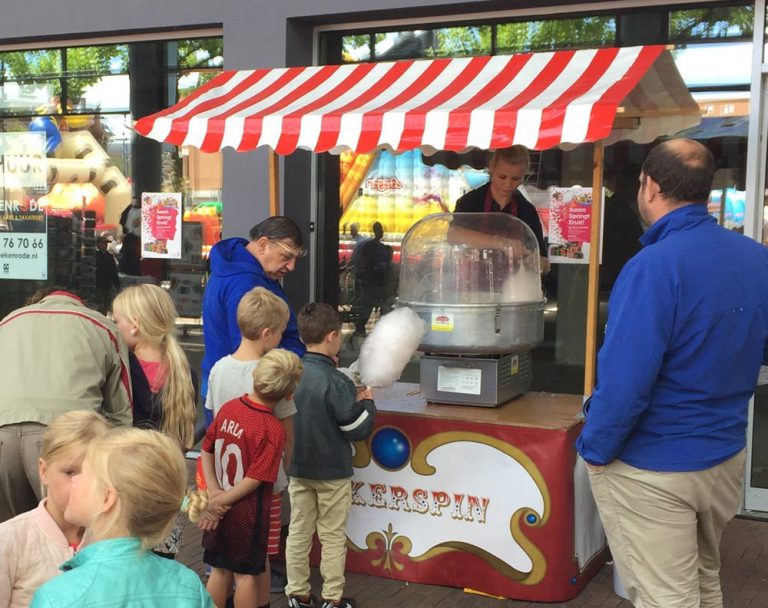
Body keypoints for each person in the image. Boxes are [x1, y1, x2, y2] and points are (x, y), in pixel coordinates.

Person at [576, 138, 768, 608]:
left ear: (651, 186)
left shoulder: (654, 266)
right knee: (703, 580)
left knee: (668, 598)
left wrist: (595, 450)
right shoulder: (756, 257)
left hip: (656, 465)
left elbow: (625, 381)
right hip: (723, 456)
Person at [30, 427, 212, 607]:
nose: (73, 480)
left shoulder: (55, 598)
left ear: (106, 498)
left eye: (80, 473)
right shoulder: (189, 586)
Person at [0, 288, 132, 523]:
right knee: (67, 534)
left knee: (11, 535)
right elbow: (121, 411)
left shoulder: (8, 321)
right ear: (81, 303)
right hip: (64, 437)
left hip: (3, 433)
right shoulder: (103, 328)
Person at [205, 286, 296, 597]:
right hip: (259, 489)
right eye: (282, 333)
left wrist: (214, 488)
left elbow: (213, 423)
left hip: (223, 480)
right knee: (257, 562)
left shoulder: (218, 369)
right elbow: (287, 432)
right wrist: (286, 465)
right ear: (268, 334)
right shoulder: (273, 374)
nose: (282, 339)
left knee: (220, 564)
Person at [285, 303, 376, 608]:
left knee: (298, 531)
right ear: (333, 336)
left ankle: (297, 593)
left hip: (297, 467)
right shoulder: (336, 381)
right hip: (333, 472)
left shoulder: (292, 373)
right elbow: (356, 428)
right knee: (332, 535)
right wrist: (367, 405)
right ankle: (332, 598)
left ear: (301, 337)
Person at [199, 349, 303, 608]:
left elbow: (206, 449)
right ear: (289, 395)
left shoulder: (230, 408)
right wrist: (222, 499)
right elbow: (254, 479)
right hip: (248, 513)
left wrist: (215, 494)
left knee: (219, 569)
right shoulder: (272, 429)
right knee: (246, 575)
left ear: (255, 376)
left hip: (220, 503)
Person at [111, 284, 199, 558]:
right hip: (167, 482)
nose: (114, 328)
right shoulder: (184, 372)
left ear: (135, 325)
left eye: (117, 321)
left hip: (127, 482)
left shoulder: (120, 369)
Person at [202, 216, 307, 423]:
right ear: (263, 244)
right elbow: (247, 348)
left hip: (223, 384)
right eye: (286, 256)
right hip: (248, 391)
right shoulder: (246, 283)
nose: (292, 266)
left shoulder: (233, 266)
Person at [0, 410, 110, 608]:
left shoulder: (112, 538)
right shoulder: (9, 540)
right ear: (44, 471)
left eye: (96, 474)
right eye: (70, 472)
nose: (82, 484)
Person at [452, 145, 550, 274]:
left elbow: (542, 258)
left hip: (513, 287)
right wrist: (500, 242)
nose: (508, 184)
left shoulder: (526, 210)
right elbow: (454, 234)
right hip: (473, 284)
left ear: (523, 176)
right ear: (492, 169)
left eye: (515, 179)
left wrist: (538, 263)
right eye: (502, 177)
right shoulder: (470, 202)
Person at [352, 221, 393, 337]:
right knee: (369, 306)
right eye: (379, 229)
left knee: (375, 306)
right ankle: (361, 327)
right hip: (373, 282)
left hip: (378, 282)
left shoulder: (375, 247)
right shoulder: (371, 247)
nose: (381, 232)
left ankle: (365, 328)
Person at [94, 234, 120, 315]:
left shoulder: (109, 256)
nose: (105, 245)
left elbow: (113, 271)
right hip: (96, 283)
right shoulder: (94, 255)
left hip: (106, 284)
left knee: (106, 303)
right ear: (98, 244)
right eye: (103, 243)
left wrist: (117, 284)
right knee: (99, 303)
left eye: (106, 243)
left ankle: (103, 315)